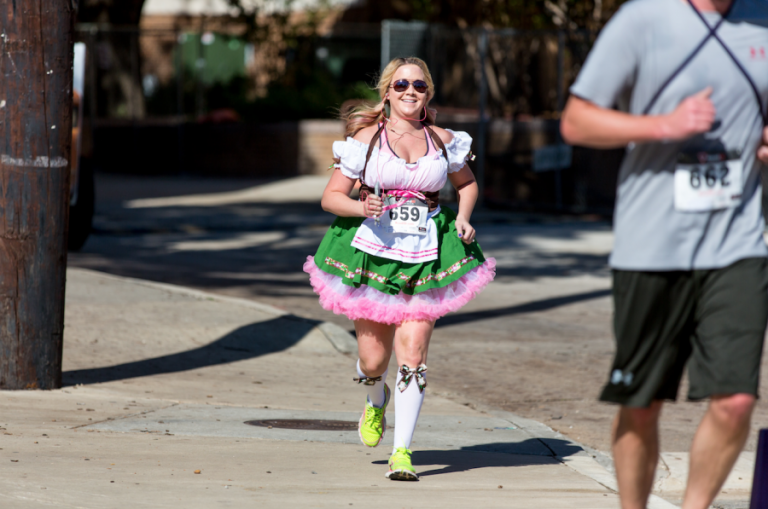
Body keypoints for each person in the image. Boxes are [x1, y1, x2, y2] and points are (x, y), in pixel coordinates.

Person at [560, 0, 768, 507]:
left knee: (736, 400)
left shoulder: (762, 18)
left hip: (740, 240)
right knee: (643, 403)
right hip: (651, 246)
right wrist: (663, 125)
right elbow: (576, 122)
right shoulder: (644, 18)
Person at [303, 57, 496, 481]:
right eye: (403, 84)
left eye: (420, 86)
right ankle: (375, 398)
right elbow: (331, 197)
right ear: (387, 91)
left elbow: (467, 184)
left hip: (426, 253)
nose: (411, 92)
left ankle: (402, 452)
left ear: (429, 93)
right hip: (372, 252)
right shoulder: (366, 139)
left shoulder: (444, 140)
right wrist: (360, 205)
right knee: (374, 359)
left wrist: (463, 216)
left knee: (413, 354)